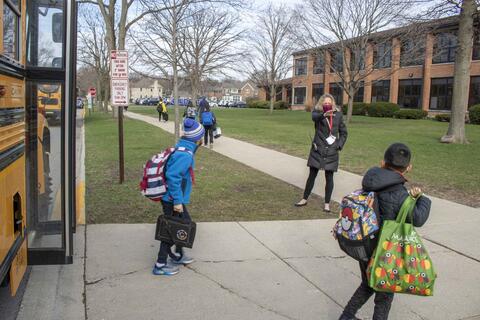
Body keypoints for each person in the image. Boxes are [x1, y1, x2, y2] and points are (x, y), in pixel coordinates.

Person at [339, 143, 432, 320]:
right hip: (386, 252)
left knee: (368, 284)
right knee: (384, 297)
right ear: (408, 168)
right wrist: (422, 199)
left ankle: (346, 317)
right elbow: (418, 219)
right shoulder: (400, 194)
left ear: (382, 163)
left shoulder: (370, 182)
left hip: (365, 246)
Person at [152, 118, 205, 276]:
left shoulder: (183, 147)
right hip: (172, 199)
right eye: (201, 135)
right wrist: (177, 202)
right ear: (197, 138)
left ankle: (177, 255)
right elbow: (173, 177)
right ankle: (160, 265)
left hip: (174, 198)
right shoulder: (185, 155)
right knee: (170, 230)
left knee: (183, 224)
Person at [295, 93, 347, 212]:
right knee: (312, 175)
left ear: (332, 103)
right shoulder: (317, 113)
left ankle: (327, 204)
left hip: (332, 150)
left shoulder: (338, 115)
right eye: (325, 103)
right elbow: (315, 118)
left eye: (329, 103)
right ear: (321, 104)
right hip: (318, 148)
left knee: (329, 177)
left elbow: (344, 133)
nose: (327, 105)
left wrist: (339, 145)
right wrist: (324, 114)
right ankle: (304, 198)